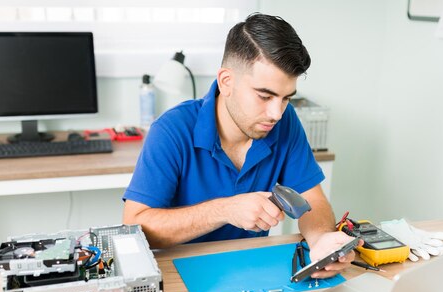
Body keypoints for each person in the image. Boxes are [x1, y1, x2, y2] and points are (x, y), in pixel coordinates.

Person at [123, 13, 356, 278]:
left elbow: (312, 199)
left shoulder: (284, 121)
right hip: (180, 279)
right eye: (265, 96)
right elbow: (134, 227)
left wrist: (321, 241)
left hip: (250, 272)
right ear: (226, 82)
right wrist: (226, 210)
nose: (276, 113)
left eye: (285, 98)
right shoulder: (172, 130)